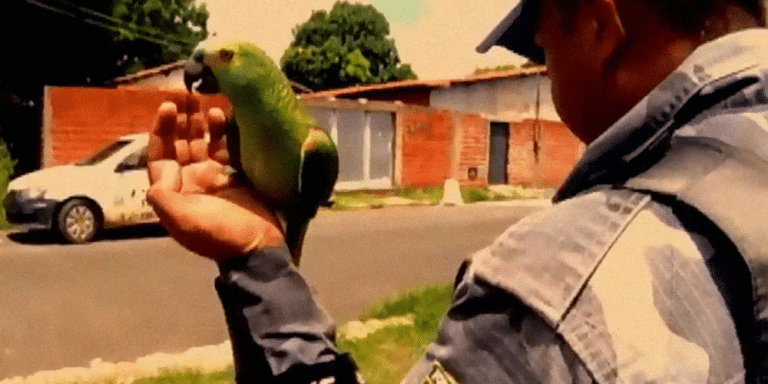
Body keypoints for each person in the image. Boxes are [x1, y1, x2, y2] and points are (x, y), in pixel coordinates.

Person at [147, 0, 768, 382]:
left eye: (543, 41)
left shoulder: (561, 294)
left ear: (604, 25)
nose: (545, 65)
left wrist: (259, 263)